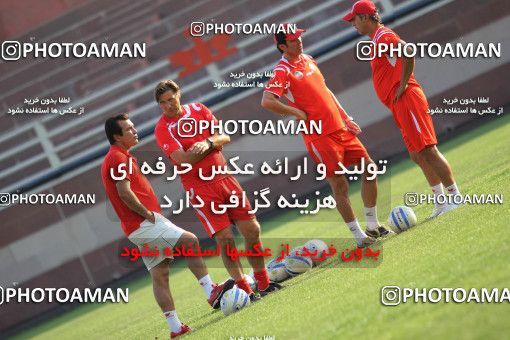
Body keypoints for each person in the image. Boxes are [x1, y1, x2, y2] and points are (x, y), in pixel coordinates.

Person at [101, 113, 234, 338]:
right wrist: (147, 214)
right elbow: (124, 193)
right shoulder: (117, 158)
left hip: (137, 226)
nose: (135, 131)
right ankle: (211, 291)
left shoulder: (121, 156)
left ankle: (175, 328)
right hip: (143, 222)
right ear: (116, 136)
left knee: (160, 274)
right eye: (129, 129)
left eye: (134, 126)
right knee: (190, 241)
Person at [261, 23, 392, 247]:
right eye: (293, 40)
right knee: (339, 184)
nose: (299, 41)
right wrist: (295, 112)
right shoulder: (282, 70)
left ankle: (372, 224)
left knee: (369, 168)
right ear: (282, 46)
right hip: (319, 136)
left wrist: (346, 116)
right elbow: (267, 101)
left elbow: (326, 90)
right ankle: (359, 236)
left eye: (299, 37)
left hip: (340, 128)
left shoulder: (309, 59)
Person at [153, 80, 281, 301]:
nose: (168, 106)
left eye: (171, 100)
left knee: (252, 229)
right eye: (162, 103)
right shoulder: (162, 129)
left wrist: (209, 142)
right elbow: (182, 159)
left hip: (225, 178)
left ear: (178, 94)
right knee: (226, 239)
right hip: (200, 188)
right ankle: (246, 292)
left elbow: (223, 136)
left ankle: (264, 282)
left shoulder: (198, 109)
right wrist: (210, 145)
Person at [342, 0, 461, 217]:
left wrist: (404, 83)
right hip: (399, 105)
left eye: (354, 20)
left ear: (365, 17)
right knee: (417, 155)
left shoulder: (384, 36)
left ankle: (455, 196)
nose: (353, 25)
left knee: (428, 150)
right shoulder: (376, 39)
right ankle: (441, 201)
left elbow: (407, 52)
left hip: (407, 99)